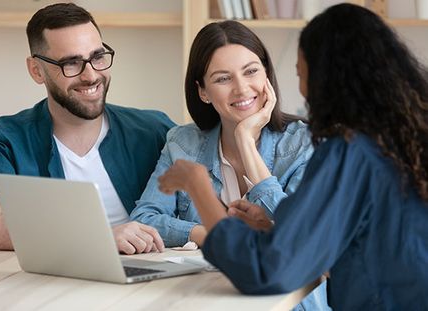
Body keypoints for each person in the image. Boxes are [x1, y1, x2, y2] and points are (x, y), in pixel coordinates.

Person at [158, 3, 428, 310]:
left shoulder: (348, 153)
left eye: (302, 75)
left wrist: (199, 187)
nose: (301, 89)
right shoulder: (402, 140)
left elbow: (268, 271)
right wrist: (281, 223)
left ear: (326, 81)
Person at [131, 20, 329, 310]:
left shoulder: (304, 143)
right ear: (203, 92)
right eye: (223, 79)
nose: (241, 88)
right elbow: (145, 218)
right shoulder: (182, 143)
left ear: (267, 76)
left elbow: (303, 237)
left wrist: (246, 143)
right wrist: (203, 233)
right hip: (207, 297)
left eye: (251, 71)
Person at [0, 3, 175, 255]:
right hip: (49, 286)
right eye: (71, 63)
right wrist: (101, 237)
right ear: (36, 71)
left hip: (150, 283)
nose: (91, 76)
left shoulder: (156, 131)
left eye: (97, 57)